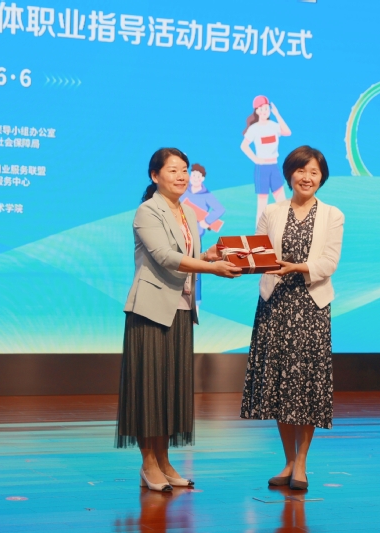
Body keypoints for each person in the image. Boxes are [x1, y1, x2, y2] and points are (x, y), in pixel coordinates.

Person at [117, 147, 242, 492]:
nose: (181, 176)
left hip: (182, 309)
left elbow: (187, 256)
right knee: (148, 391)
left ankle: (165, 461)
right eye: (173, 170)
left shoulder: (187, 211)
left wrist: (208, 256)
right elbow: (165, 256)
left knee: (171, 390)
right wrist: (212, 268)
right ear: (155, 176)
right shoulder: (147, 210)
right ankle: (148, 464)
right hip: (150, 310)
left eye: (184, 170)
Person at [240, 146, 344, 491]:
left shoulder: (333, 215)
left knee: (306, 386)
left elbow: (329, 263)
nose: (307, 177)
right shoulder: (271, 211)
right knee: (281, 386)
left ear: (322, 178)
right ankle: (287, 460)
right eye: (301, 170)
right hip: (276, 306)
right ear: (289, 174)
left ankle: (302, 463)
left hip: (311, 307)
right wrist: (235, 259)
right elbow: (257, 254)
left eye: (314, 172)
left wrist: (296, 267)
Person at [240, 95, 292, 225]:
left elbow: (287, 132)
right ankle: (259, 234)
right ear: (257, 111)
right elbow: (244, 146)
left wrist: (277, 114)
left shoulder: (274, 126)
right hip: (262, 169)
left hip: (274, 167)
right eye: (261, 109)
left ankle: (285, 230)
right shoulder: (254, 129)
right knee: (262, 204)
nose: (264, 111)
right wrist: (256, 159)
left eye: (267, 108)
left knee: (282, 201)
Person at [180, 163, 226, 306]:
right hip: (178, 235)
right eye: (193, 175)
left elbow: (219, 209)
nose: (195, 178)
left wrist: (207, 221)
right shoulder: (183, 191)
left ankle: (195, 302)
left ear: (203, 178)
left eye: (198, 176)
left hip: (195, 237)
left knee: (196, 268)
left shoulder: (206, 195)